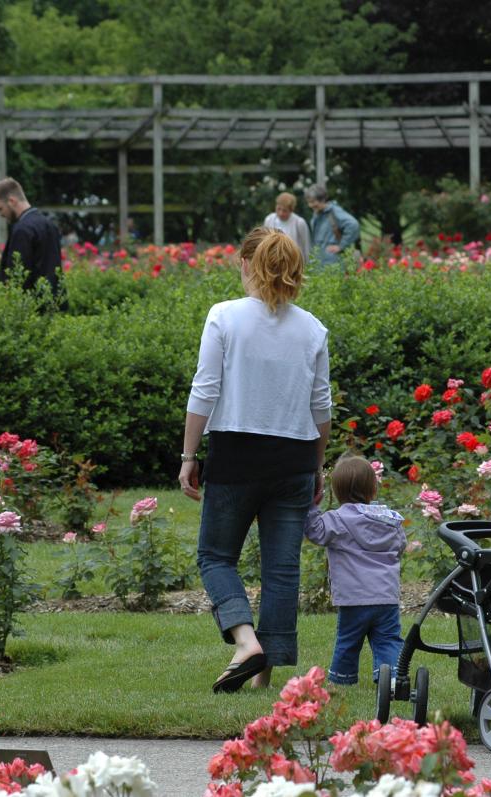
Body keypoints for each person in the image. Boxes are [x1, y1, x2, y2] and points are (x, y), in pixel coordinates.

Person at [179, 227, 332, 694]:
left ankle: (246, 642)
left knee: (215, 555)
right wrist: (318, 466)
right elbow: (321, 405)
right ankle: (265, 672)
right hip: (294, 458)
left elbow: (205, 390)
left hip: (237, 455)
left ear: (246, 264)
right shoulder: (312, 328)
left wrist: (188, 455)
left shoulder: (224, 317)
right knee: (281, 568)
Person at [305, 454, 405, 686]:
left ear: (337, 492)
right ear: (373, 488)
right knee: (388, 640)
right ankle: (392, 681)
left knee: (348, 641)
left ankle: (342, 679)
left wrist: (311, 505)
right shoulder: (389, 520)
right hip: (386, 596)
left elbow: (314, 531)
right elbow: (400, 546)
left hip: (354, 598)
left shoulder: (338, 520)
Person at [0, 177, 64, 309]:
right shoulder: (48, 225)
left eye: (0, 209)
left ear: (12, 201)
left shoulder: (22, 230)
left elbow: (18, 275)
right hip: (54, 304)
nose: (0, 214)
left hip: (31, 309)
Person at [305, 184, 359, 270]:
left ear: (322, 200)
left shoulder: (334, 212)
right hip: (319, 263)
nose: (310, 205)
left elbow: (353, 225)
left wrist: (341, 246)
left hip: (333, 263)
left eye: (313, 202)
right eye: (309, 202)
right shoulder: (317, 213)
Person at [263, 192, 310, 258]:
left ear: (291, 210)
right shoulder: (269, 220)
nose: (281, 213)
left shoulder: (299, 223)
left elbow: (306, 246)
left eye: (285, 211)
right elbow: (264, 243)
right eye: (278, 209)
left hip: (293, 260)